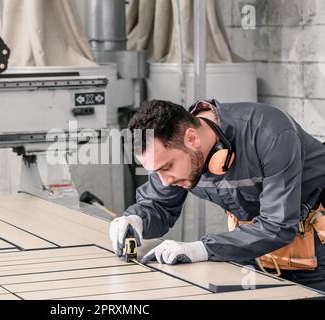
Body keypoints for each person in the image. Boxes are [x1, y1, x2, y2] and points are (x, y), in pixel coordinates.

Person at [109, 99, 325, 291]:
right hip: (252, 246)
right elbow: (158, 205)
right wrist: (136, 219)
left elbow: (276, 225)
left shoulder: (269, 132)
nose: (164, 180)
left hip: (317, 244)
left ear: (192, 138)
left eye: (167, 167)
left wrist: (202, 248)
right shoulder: (175, 153)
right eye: (155, 171)